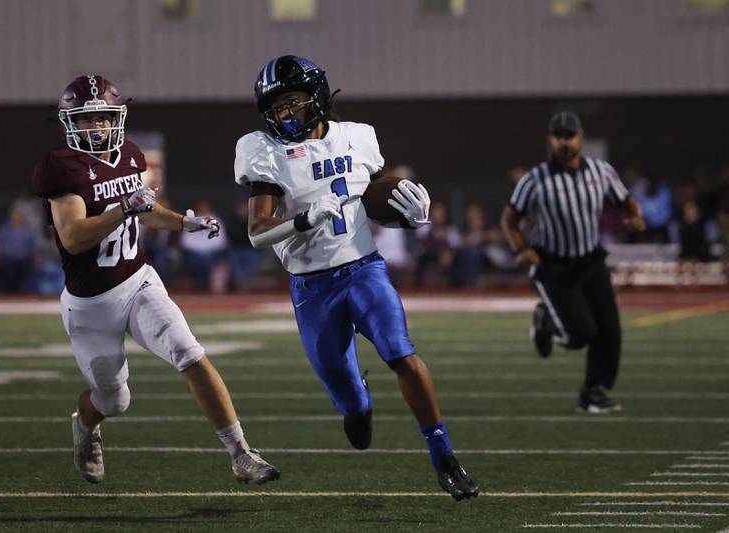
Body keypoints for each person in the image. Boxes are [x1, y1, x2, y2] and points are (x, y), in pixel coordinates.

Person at [234, 55, 478, 501]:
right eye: (278, 106)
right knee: (353, 409)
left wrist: (411, 217)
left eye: (292, 101)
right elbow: (256, 233)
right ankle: (358, 400)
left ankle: (445, 457)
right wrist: (306, 220)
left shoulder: (358, 138)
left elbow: (380, 202)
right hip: (312, 288)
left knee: (401, 353)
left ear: (318, 97)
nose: (286, 112)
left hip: (364, 270)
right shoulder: (265, 152)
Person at [31, 74, 279, 485]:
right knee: (113, 400)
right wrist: (123, 209)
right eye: (87, 119)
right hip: (90, 303)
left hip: (139, 281)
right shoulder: (61, 167)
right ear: (69, 122)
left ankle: (241, 453)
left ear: (116, 119)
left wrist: (184, 222)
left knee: (191, 354)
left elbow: (144, 209)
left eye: (103, 118)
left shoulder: (129, 154)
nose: (97, 127)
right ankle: (86, 425)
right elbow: (73, 238)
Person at [500, 111, 646, 413]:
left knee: (610, 331)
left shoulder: (601, 171)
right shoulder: (536, 179)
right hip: (554, 265)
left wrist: (633, 216)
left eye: (570, 135)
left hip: (591, 261)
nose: (565, 142)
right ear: (550, 140)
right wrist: (520, 250)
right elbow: (509, 218)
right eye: (559, 136)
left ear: (581, 137)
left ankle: (592, 393)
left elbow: (625, 199)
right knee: (579, 335)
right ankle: (547, 320)